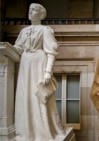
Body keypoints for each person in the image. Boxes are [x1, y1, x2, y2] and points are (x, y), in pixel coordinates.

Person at [14, 3, 64, 141]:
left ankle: (42, 131)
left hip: (38, 63)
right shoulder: (23, 31)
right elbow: (17, 48)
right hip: (25, 64)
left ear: (41, 14)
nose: (30, 12)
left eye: (34, 9)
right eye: (29, 9)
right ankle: (27, 131)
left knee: (39, 96)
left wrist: (48, 71)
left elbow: (51, 52)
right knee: (26, 95)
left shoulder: (45, 30)